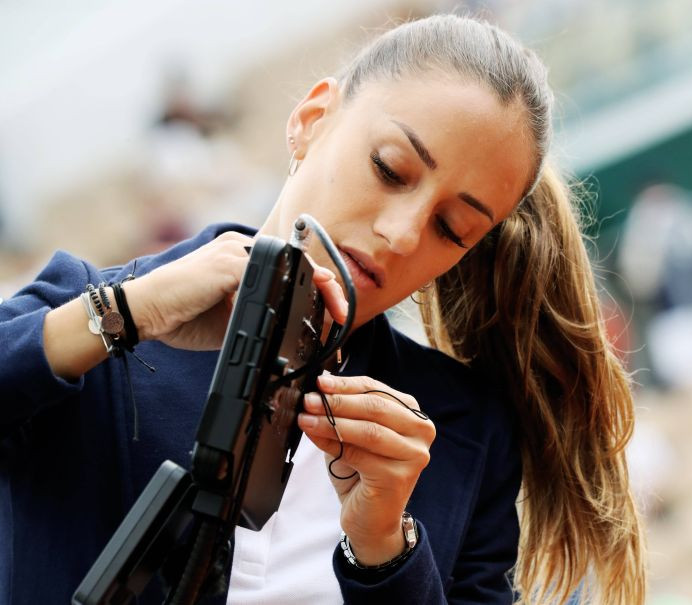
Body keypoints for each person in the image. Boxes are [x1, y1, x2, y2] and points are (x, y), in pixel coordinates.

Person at [0, 14, 645, 605]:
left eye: (451, 229)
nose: (403, 233)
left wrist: (385, 550)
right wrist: (123, 315)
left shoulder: (459, 435)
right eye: (390, 169)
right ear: (312, 120)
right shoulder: (93, 318)